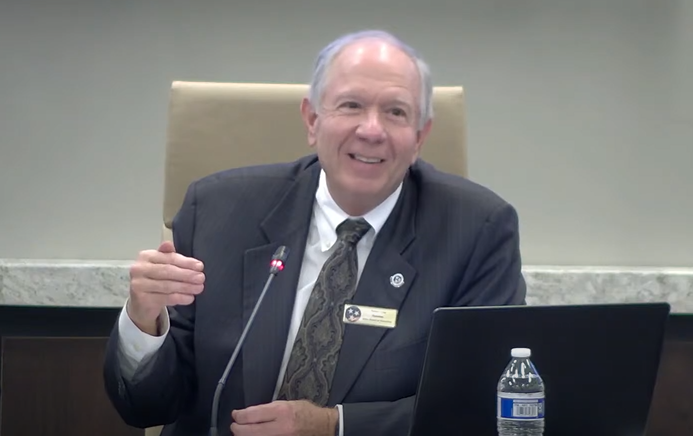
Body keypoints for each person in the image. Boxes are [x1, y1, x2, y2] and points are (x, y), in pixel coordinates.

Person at [103, 29, 526, 436]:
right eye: (351, 106)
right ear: (312, 119)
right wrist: (144, 321)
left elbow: (481, 401)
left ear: (420, 137)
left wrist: (334, 427)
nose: (372, 130)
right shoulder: (217, 210)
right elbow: (148, 407)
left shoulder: (477, 231)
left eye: (396, 112)